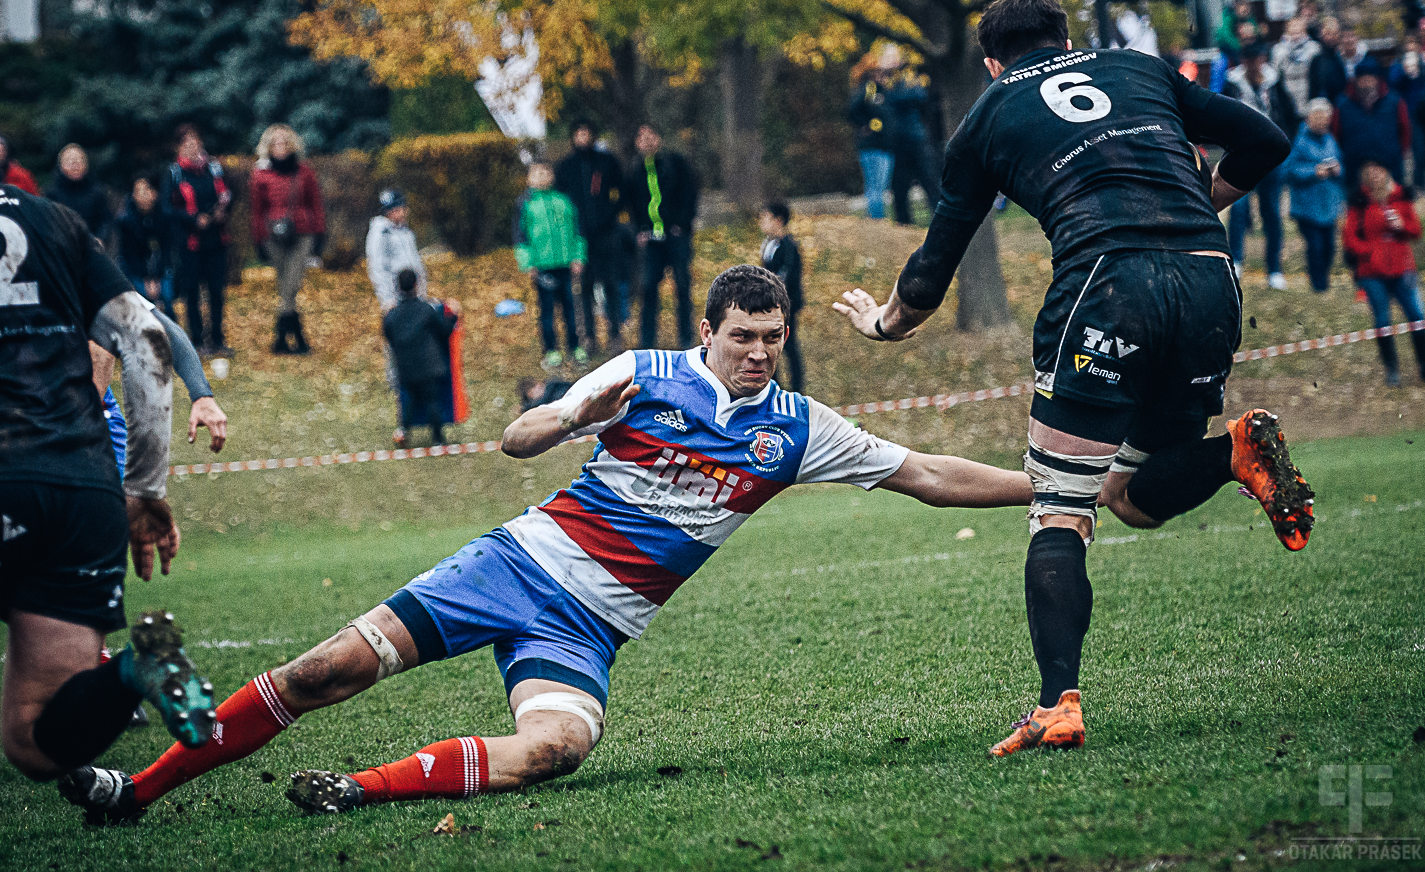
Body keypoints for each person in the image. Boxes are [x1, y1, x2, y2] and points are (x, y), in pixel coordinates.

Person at [61, 264, 1035, 823]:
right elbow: (516, 437)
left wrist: (1056, 484)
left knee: (559, 746)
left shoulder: (797, 426)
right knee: (325, 670)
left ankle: (354, 788)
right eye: (743, 334)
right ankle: (134, 788)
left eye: (773, 336)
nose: (759, 351)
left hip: (593, 626)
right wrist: (577, 415)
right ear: (707, 329)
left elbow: (928, 472)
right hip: (516, 562)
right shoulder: (643, 372)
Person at [834, 0, 1309, 759]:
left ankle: (1057, 704)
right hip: (1206, 279)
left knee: (1061, 509)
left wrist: (882, 323)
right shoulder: (1135, 66)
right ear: (1065, 39)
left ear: (992, 63)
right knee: (1130, 496)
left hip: (1105, 289)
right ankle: (1230, 454)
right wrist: (1198, 204)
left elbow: (930, 272)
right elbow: (1264, 139)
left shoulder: (986, 115)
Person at [0, 182, 215, 810]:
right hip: (80, 489)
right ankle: (130, 671)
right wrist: (145, 488)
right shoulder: (57, 222)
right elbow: (147, 339)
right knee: (35, 740)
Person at [1222, 42, 1299, 289]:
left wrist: (1284, 142)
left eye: (1258, 58)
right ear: (1243, 61)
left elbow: (1289, 114)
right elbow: (1219, 115)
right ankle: (1236, 262)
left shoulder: (1274, 81)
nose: (1254, 64)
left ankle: (1274, 269)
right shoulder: (1232, 84)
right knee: (1239, 209)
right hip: (1241, 154)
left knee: (1272, 213)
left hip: (1271, 156)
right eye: (1249, 59)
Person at [1342, 161, 1424, 387]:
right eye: (1370, 172)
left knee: (1417, 317)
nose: (1375, 176)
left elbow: (1415, 231)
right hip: (1372, 272)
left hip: (1403, 269)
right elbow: (1349, 238)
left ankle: (1424, 366)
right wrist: (1371, 251)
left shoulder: (1401, 196)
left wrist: (1401, 226)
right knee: (1383, 320)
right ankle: (1392, 369)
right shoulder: (1358, 201)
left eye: (1378, 171)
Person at [555, 118, 630, 354]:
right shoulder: (566, 166)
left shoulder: (607, 162)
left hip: (607, 235)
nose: (583, 138)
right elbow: (560, 202)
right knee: (584, 290)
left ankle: (615, 333)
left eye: (587, 133)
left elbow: (623, 192)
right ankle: (589, 337)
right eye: (579, 133)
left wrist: (611, 214)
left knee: (611, 285)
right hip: (579, 239)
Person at [250, 124, 326, 355]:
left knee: (290, 286)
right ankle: (297, 340)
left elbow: (316, 203)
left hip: (303, 233)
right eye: (275, 142)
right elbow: (257, 211)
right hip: (274, 237)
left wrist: (320, 234)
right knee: (286, 289)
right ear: (268, 146)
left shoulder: (304, 171)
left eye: (284, 142)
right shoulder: (260, 175)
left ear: (292, 144)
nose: (280, 146)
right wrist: (259, 240)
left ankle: (282, 338)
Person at [626, 123, 699, 350]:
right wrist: (639, 228)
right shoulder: (635, 169)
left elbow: (690, 192)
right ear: (637, 143)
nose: (647, 141)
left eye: (650, 136)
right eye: (641, 137)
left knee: (682, 286)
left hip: (676, 236)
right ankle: (647, 339)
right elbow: (632, 202)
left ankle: (686, 336)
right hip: (651, 240)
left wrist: (681, 224)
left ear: (658, 138)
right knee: (648, 288)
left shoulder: (674, 162)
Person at [163, 125, 232, 356]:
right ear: (179, 147)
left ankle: (217, 338)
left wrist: (223, 210)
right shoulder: (174, 173)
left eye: (195, 142)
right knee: (191, 292)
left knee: (216, 291)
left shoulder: (214, 168)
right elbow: (166, 208)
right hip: (190, 242)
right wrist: (192, 218)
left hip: (216, 238)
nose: (193, 147)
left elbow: (230, 194)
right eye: (187, 143)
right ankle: (197, 340)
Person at [516, 159, 586, 368]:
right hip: (542, 266)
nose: (542, 176)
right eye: (536, 173)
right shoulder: (525, 203)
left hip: (565, 263)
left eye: (545, 172)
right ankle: (551, 350)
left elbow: (577, 229)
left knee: (570, 309)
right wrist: (528, 263)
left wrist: (578, 257)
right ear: (529, 178)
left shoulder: (564, 199)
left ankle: (575, 347)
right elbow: (520, 236)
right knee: (546, 311)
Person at [382, 269, 460, 446]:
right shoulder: (426, 309)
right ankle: (438, 439)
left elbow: (387, 334)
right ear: (416, 285)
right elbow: (444, 331)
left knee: (410, 401)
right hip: (430, 366)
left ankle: (403, 432)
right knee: (433, 401)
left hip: (406, 367)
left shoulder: (393, 315)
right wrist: (453, 315)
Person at [1284, 99, 1346, 293]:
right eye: (1317, 117)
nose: (1321, 121)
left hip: (1329, 205)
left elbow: (1342, 166)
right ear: (1309, 118)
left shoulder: (1330, 140)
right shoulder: (1299, 141)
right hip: (1306, 207)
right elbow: (1289, 170)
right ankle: (1317, 284)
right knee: (1315, 246)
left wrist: (1337, 170)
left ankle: (1324, 279)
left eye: (1324, 117)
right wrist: (1314, 171)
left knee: (1329, 246)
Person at [882, 52, 942, 225]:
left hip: (916, 137)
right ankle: (903, 221)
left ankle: (937, 215)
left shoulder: (910, 80)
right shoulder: (888, 84)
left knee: (929, 178)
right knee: (900, 184)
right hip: (899, 140)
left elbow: (921, 95)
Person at [1334, 59, 1411, 191]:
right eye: (1362, 79)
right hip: (1354, 165)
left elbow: (1405, 130)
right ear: (1356, 80)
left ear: (1377, 79)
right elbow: (1336, 133)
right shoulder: (1343, 104)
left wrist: (1397, 152)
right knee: (1358, 205)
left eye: (1370, 78)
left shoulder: (1394, 101)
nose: (1366, 83)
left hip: (1390, 163)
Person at [758, 199, 805, 393]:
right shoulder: (768, 244)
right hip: (770, 304)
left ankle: (797, 388)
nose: (762, 222)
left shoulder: (788, 247)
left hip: (787, 304)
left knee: (789, 345)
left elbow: (786, 276)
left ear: (778, 220)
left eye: (766, 218)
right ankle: (774, 385)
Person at [114, 176, 177, 317]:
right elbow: (129, 254)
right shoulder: (126, 221)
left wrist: (157, 277)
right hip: (135, 271)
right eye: (138, 191)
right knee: (139, 302)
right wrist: (146, 279)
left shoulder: (165, 217)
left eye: (147, 190)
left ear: (155, 193)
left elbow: (166, 250)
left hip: (161, 270)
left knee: (167, 298)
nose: (143, 195)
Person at [846, 53, 895, 219]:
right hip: (872, 146)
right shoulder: (867, 89)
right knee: (876, 187)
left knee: (880, 187)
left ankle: (875, 217)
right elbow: (852, 110)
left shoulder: (883, 92)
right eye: (879, 73)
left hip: (884, 145)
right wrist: (865, 124)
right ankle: (876, 219)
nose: (882, 76)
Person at [44, 144, 113, 252]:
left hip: (92, 248)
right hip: (61, 249)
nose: (75, 164)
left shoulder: (97, 191)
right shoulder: (51, 193)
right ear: (61, 166)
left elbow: (105, 220)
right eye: (70, 161)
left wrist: (101, 239)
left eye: (79, 160)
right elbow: (47, 223)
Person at [366, 189, 425, 314]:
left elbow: (414, 260)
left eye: (398, 209)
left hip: (414, 294)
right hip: (396, 297)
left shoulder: (405, 231)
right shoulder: (381, 233)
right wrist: (387, 299)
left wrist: (421, 289)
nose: (395, 213)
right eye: (391, 210)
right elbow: (377, 266)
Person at [1388, 36, 1425, 188]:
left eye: (1413, 44)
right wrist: (1405, 72)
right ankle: (1418, 182)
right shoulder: (1397, 66)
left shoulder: (1422, 64)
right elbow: (1393, 85)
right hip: (1410, 113)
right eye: (1408, 44)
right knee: (1418, 150)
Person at [1272, 17, 1320, 118]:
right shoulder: (1279, 49)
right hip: (1287, 84)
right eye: (1293, 26)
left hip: (1306, 83)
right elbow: (1275, 72)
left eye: (1298, 26)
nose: (1295, 29)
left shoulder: (1314, 48)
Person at [1308, 17, 1349, 105]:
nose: (1331, 37)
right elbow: (1315, 88)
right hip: (1324, 104)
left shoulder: (1342, 57)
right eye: (1328, 34)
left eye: (1334, 34)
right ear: (1321, 35)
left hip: (1342, 103)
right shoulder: (1317, 60)